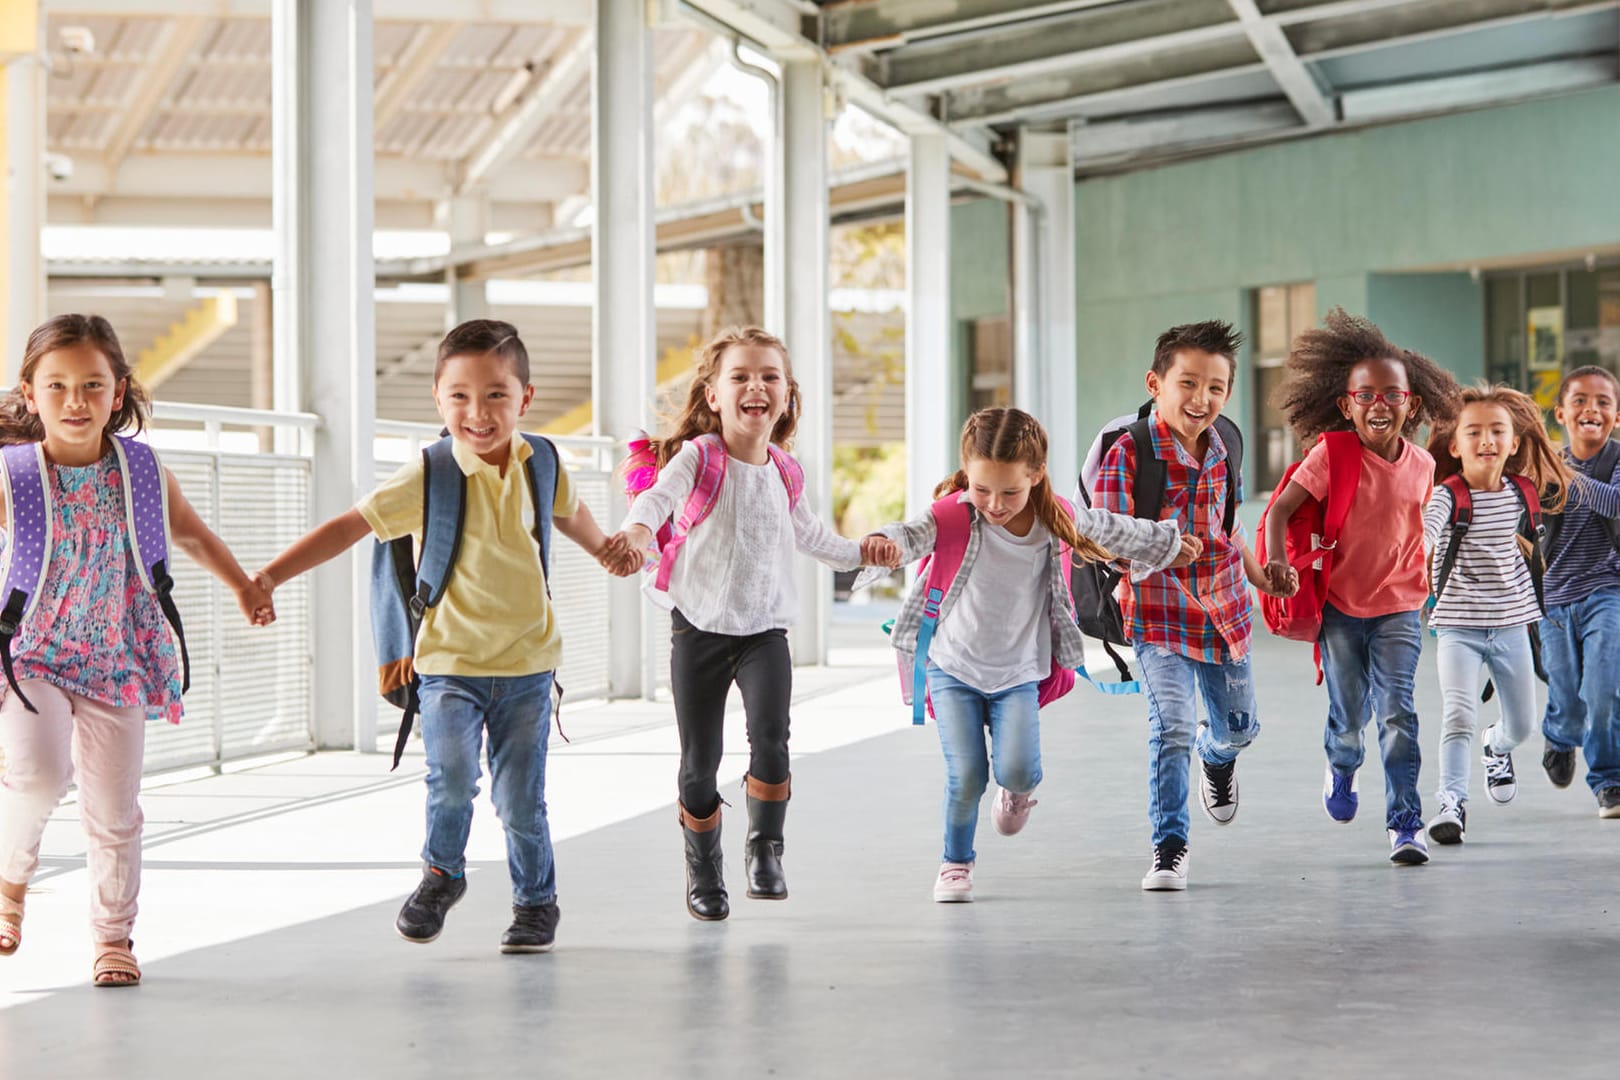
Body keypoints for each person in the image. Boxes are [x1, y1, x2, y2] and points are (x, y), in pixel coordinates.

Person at [257, 319, 630, 954]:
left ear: (525, 398)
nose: (477, 412)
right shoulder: (426, 475)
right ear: (437, 398)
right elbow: (349, 528)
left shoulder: (542, 460)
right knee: (451, 779)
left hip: (528, 667)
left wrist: (607, 552)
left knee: (520, 801)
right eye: (459, 395)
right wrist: (268, 576)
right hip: (448, 665)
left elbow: (569, 514)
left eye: (495, 395)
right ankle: (442, 873)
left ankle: (536, 903)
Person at [0, 314, 274, 987]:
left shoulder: (141, 472)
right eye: (57, 386)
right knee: (36, 775)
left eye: (93, 385)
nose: (75, 401)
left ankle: (112, 936)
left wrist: (243, 584)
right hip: (31, 651)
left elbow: (194, 536)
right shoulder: (13, 476)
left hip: (116, 658)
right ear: (30, 395)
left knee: (114, 810)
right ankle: (9, 883)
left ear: (117, 393)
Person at [606, 325, 896, 922]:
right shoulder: (699, 457)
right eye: (739, 376)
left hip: (764, 631)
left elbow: (812, 537)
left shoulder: (788, 471)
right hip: (700, 630)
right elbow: (658, 500)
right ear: (713, 395)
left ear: (786, 395)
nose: (755, 386)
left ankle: (766, 848)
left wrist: (863, 551)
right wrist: (637, 531)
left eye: (769, 377)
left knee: (771, 739)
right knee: (698, 762)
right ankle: (704, 868)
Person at [872, 407, 1196, 902]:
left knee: (1019, 768)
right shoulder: (952, 515)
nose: (995, 504)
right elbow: (910, 534)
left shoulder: (1054, 519)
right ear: (967, 471)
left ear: (1036, 475)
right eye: (982, 490)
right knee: (966, 776)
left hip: (1018, 671)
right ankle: (955, 863)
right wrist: (883, 544)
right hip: (952, 665)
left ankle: (1017, 791)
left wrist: (1168, 543)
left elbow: (1112, 529)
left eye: (1009, 491)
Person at [1095, 319, 1296, 891]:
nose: (1201, 399)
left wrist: (1263, 578)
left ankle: (1220, 757)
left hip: (1226, 609)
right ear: (1155, 383)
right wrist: (1158, 550)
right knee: (1173, 726)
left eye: (1215, 387)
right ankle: (1169, 847)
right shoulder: (1129, 452)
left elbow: (1227, 530)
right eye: (1188, 383)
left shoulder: (1225, 445)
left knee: (1238, 729)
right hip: (1157, 613)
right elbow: (1106, 539)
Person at [1263, 310, 1460, 864]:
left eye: (1392, 394)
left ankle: (1405, 825)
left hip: (1401, 607)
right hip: (1342, 609)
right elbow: (1279, 511)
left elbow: (1423, 528)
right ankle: (1342, 767)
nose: (1379, 404)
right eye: (1365, 394)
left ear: (1411, 405)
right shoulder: (1333, 454)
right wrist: (1279, 562)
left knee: (1399, 712)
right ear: (1347, 405)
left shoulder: (1423, 465)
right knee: (1350, 717)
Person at [1422, 384, 1570, 845]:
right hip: (1457, 627)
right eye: (1474, 432)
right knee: (1457, 714)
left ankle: (1495, 746)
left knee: (1523, 725)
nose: (1486, 439)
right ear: (1454, 444)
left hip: (1511, 625)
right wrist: (1417, 551)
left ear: (1513, 443)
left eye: (1497, 431)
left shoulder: (1522, 492)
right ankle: (1450, 803)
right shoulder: (1449, 495)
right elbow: (1427, 528)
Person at [1539, 366, 1620, 816]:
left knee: (1604, 690)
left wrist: (1568, 474)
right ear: (1562, 414)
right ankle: (1560, 735)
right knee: (1567, 696)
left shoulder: (1616, 460)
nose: (1592, 408)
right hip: (1552, 598)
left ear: (1617, 416)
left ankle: (1609, 779)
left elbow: (1616, 503)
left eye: (1603, 402)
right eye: (1581, 401)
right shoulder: (1543, 464)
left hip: (1607, 589)